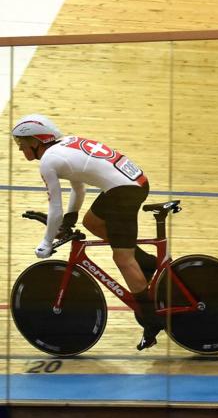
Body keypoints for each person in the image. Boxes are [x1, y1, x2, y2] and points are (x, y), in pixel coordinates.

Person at [12, 114, 163, 350]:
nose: (22, 151)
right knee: (92, 222)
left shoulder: (48, 162)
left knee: (123, 259)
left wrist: (46, 242)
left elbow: (55, 208)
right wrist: (70, 220)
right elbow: (78, 187)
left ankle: (152, 320)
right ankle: (144, 261)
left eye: (22, 146)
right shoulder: (65, 144)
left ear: (36, 142)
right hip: (130, 182)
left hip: (123, 190)